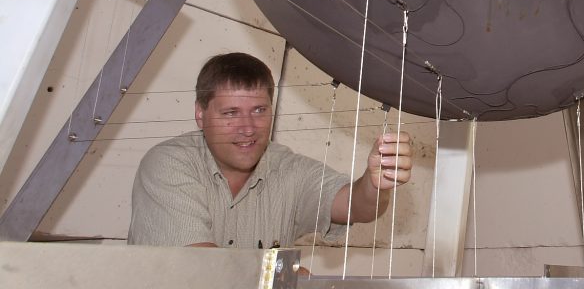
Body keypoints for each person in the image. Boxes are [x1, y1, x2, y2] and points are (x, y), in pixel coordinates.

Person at [128, 52, 412, 248]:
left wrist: (376, 184)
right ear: (201, 115)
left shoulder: (287, 168)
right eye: (230, 113)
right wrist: (281, 275)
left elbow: (354, 206)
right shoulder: (168, 164)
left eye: (259, 110)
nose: (248, 127)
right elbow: (200, 268)